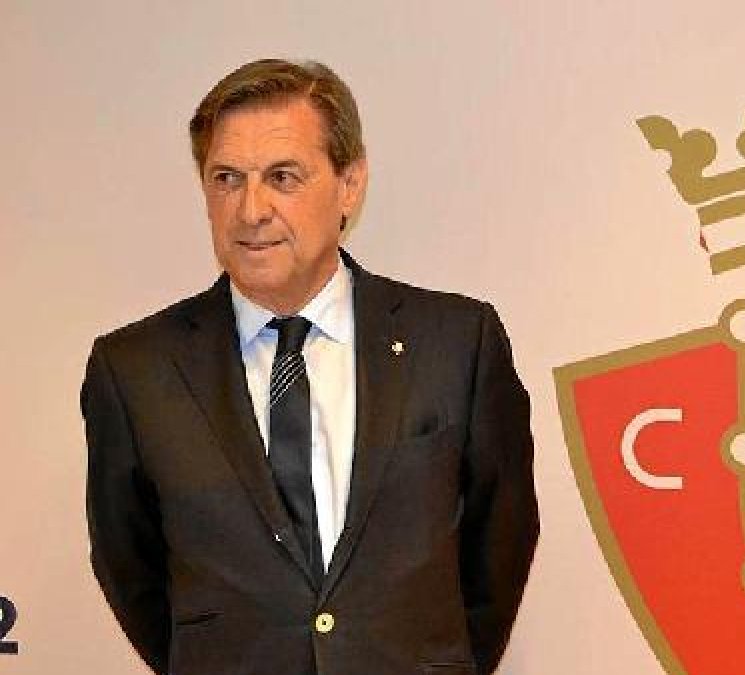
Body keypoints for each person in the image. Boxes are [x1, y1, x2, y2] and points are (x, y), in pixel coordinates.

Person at [80, 58, 538, 675]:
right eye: (226, 178)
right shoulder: (134, 370)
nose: (250, 210)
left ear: (349, 183)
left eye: (283, 177)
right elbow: (131, 570)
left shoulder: (456, 342)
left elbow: (500, 545)